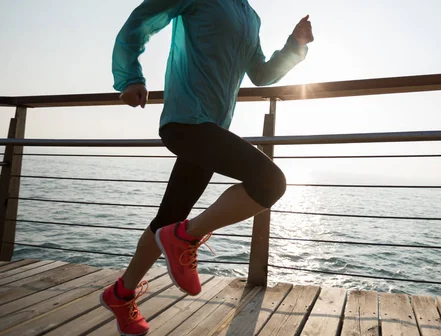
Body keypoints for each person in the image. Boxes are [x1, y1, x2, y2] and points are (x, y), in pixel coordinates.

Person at [98, 1, 314, 334]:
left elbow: (260, 73)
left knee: (166, 220)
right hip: (186, 122)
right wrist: (129, 77)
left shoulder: (249, 15)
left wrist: (295, 46)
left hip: (212, 129)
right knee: (270, 182)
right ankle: (185, 236)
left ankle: (121, 294)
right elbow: (140, 23)